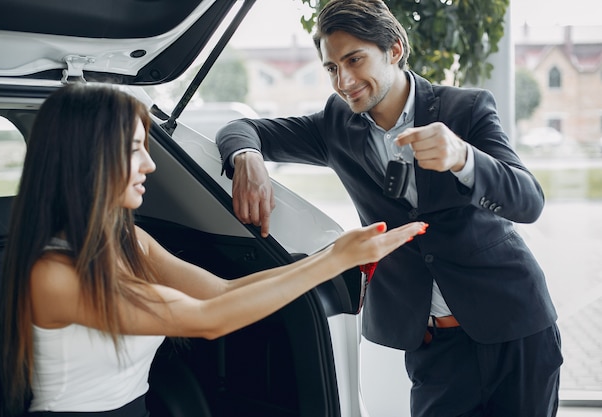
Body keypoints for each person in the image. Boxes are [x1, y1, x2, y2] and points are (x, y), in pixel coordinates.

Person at [215, 0, 562, 416]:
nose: (343, 80)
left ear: (394, 50)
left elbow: (528, 201)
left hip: (515, 325)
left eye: (354, 59)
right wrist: (247, 158)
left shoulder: (465, 109)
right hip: (434, 347)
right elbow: (241, 129)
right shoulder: (334, 125)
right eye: (331, 68)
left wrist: (463, 158)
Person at [0, 83, 426, 417]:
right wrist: (335, 261)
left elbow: (220, 293)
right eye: (133, 150)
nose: (149, 164)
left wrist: (330, 257)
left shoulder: (130, 241)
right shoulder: (54, 274)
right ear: (86, 159)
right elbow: (209, 320)